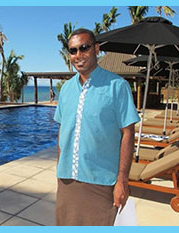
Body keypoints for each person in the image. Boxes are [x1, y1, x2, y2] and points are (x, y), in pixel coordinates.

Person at [54, 28, 140, 226]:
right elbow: (62, 130)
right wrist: (60, 167)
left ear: (96, 49)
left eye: (84, 48)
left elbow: (127, 134)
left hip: (102, 181)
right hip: (67, 180)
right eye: (73, 50)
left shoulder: (117, 86)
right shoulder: (66, 89)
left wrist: (122, 181)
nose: (78, 55)